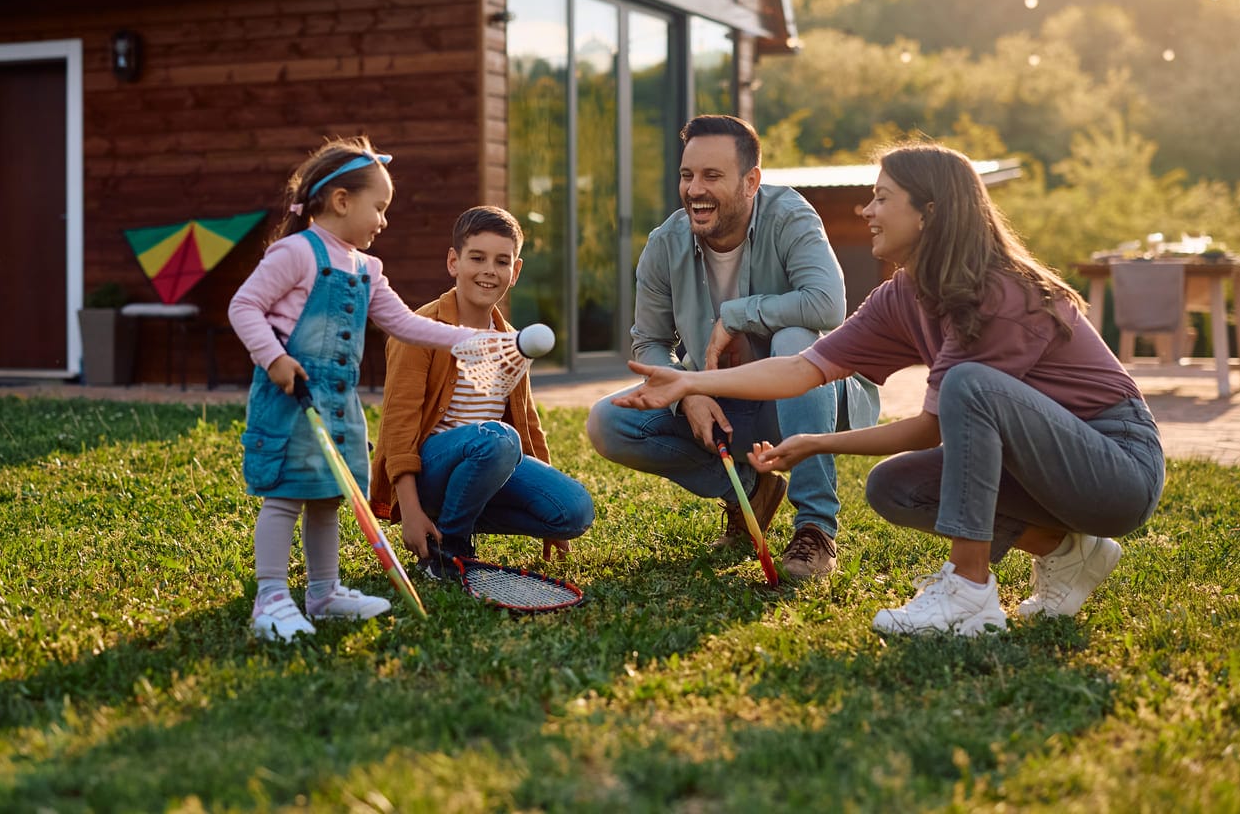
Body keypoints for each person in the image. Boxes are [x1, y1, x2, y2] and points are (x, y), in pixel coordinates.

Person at [614, 142, 1165, 636]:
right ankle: (1067, 554)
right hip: (1040, 469)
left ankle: (968, 592)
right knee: (894, 487)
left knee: (969, 385)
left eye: (881, 199)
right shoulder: (902, 296)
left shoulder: (1001, 292)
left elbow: (936, 426)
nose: (867, 212)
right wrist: (692, 380)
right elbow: (804, 369)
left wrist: (817, 443)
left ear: (929, 213)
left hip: (1116, 468)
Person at [586, 114, 878, 580]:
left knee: (795, 339)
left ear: (750, 181)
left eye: (712, 176)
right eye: (687, 175)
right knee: (609, 421)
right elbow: (650, 342)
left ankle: (815, 528)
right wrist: (689, 391)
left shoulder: (790, 215)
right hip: (724, 407)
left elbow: (827, 304)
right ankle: (749, 490)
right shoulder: (665, 243)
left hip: (810, 402)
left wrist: (738, 314)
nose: (694, 189)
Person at [228, 137, 482, 641]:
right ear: (342, 201)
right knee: (284, 497)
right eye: (379, 206)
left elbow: (406, 324)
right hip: (289, 401)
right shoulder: (296, 253)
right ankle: (271, 598)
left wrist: (469, 340)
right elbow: (244, 306)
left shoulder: (367, 269)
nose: (384, 220)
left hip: (337, 406)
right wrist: (274, 359)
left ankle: (323, 592)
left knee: (328, 497)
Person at [369, 206, 595, 572]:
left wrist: (546, 492)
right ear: (453, 262)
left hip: (488, 461)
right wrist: (409, 511)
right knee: (499, 439)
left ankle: (456, 520)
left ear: (515, 271)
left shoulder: (510, 340)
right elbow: (398, 425)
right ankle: (450, 547)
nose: (489, 270)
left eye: (502, 261)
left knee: (574, 510)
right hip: (433, 471)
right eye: (477, 258)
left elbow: (529, 425)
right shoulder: (419, 330)